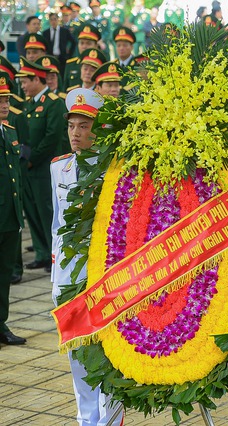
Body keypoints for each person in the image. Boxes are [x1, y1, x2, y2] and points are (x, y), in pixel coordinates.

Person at [50, 87, 124, 426]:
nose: (76, 134)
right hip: (68, 280)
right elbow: (56, 226)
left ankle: (111, 420)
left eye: (84, 126)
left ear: (98, 129)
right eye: (71, 126)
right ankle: (87, 420)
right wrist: (56, 281)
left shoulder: (114, 169)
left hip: (104, 278)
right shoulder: (59, 169)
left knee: (109, 355)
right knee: (78, 357)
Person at [18, 57, 67, 273]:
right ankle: (41, 253)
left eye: (25, 81)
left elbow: (52, 138)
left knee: (47, 213)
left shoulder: (53, 103)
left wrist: (31, 160)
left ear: (36, 79)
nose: (22, 86)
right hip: (28, 169)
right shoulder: (28, 105)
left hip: (44, 169)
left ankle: (52, 254)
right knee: (32, 212)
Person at [0, 75, 27, 348]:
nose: (5, 104)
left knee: (4, 273)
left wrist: (19, 214)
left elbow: (14, 178)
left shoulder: (9, 131)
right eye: (0, 100)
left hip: (9, 217)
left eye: (6, 99)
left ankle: (2, 323)